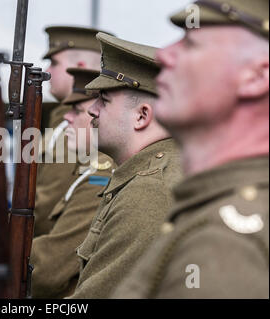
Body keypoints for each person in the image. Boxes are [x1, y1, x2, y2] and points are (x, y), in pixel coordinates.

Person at [114, 0, 269, 298]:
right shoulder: (215, 208)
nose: (163, 55)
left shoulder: (225, 243)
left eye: (191, 43)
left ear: (256, 77)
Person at [67, 33, 183, 299]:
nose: (91, 110)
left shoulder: (149, 192)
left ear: (142, 116)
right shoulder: (147, 174)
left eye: (104, 100)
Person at [31, 68, 115, 298]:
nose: (66, 117)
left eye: (78, 110)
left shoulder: (101, 179)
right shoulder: (91, 169)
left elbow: (48, 269)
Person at [34, 26, 114, 237]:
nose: (48, 71)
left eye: (54, 63)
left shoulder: (80, 128)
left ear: (80, 66)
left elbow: (47, 205)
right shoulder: (62, 120)